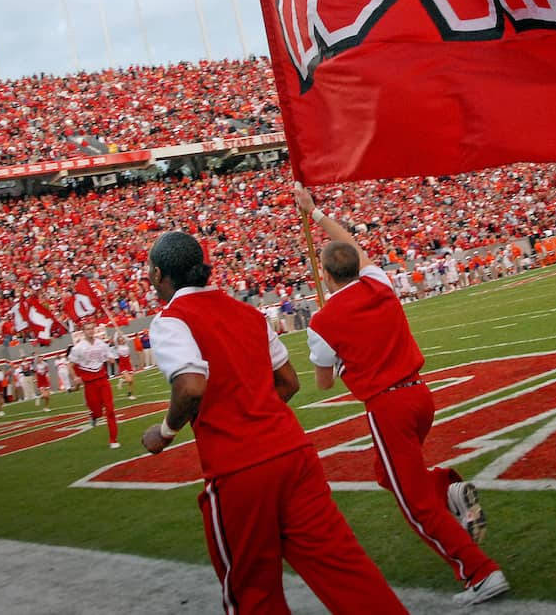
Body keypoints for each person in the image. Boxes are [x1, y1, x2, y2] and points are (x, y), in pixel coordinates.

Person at [140, 231, 406, 615]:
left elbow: (191, 386)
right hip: (293, 453)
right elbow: (289, 382)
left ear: (160, 274)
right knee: (347, 573)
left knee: (253, 594)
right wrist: (253, 408)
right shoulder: (248, 312)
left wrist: (164, 433)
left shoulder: (170, 320)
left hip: (239, 470)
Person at [294, 187, 510, 606]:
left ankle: (480, 573)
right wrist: (316, 212)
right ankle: (445, 487)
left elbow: (324, 383)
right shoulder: (378, 282)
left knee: (415, 506)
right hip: (419, 395)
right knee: (385, 473)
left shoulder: (322, 320)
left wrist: (339, 358)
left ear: (325, 276)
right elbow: (352, 246)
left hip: (387, 405)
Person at [69, 326, 121, 449]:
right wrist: (75, 377)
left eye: (91, 328)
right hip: (89, 384)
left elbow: (110, 356)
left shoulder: (101, 344)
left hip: (102, 380)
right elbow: (70, 365)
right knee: (97, 412)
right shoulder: (78, 348)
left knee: (110, 410)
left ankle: (113, 439)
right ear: (83, 332)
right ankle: (94, 416)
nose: (90, 331)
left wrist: (111, 359)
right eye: (87, 329)